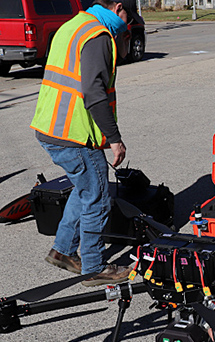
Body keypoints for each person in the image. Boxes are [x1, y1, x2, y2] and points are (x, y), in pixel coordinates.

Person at [30, 0, 141, 286]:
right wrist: (115, 139)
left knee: (84, 190)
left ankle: (63, 250)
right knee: (97, 197)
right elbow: (93, 92)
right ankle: (94, 266)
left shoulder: (73, 26)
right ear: (118, 8)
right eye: (128, 16)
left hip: (51, 126)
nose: (127, 24)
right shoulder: (98, 35)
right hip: (73, 135)